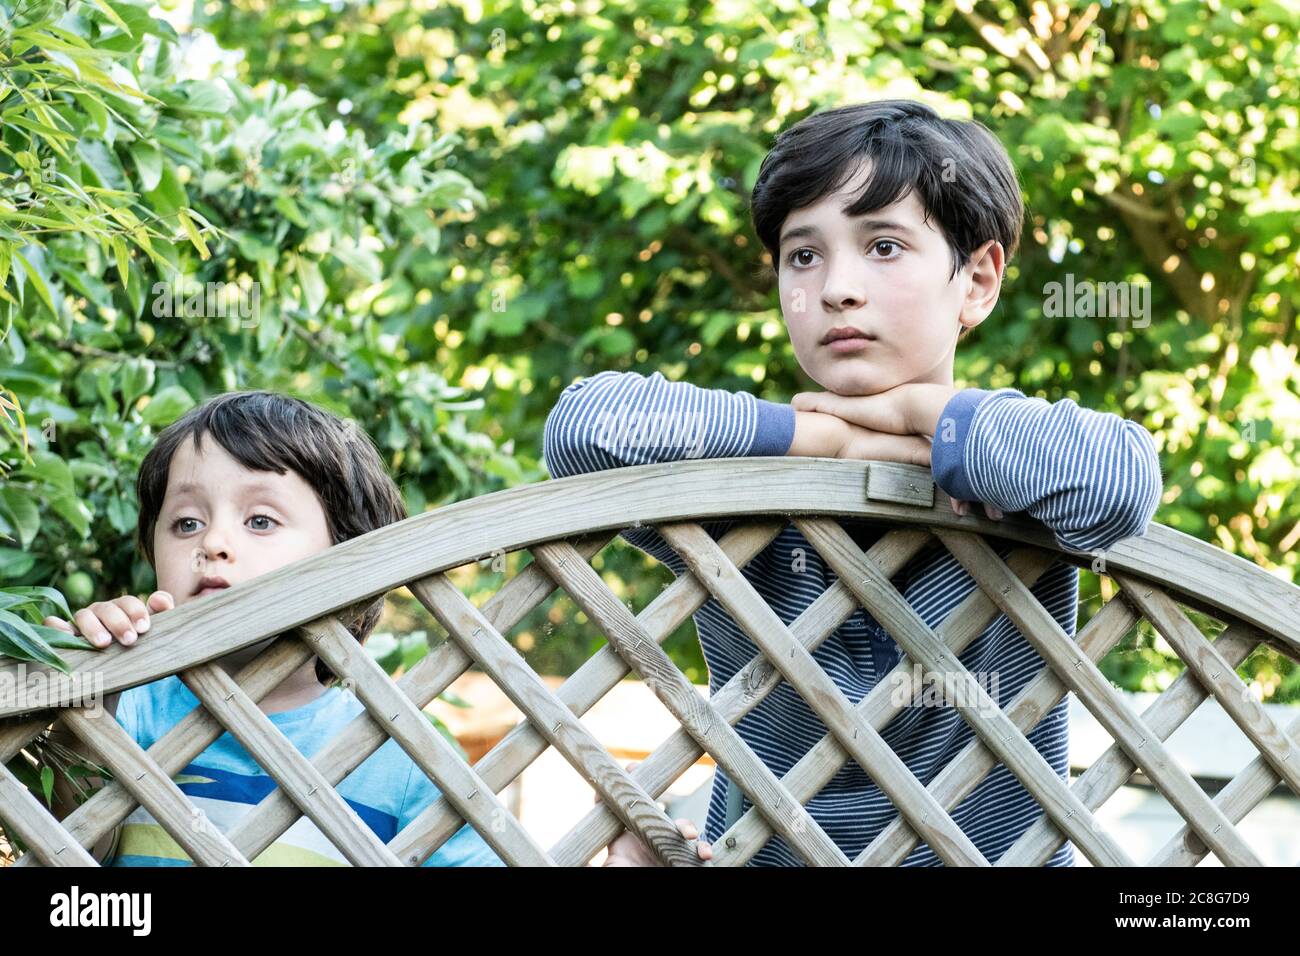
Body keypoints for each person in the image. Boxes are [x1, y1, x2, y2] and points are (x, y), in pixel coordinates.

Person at [542, 99, 1164, 866]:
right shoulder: (740, 488)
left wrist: (918, 413)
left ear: (977, 280)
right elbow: (582, 429)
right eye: (804, 256)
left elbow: (1119, 479)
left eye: (883, 245)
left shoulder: (1012, 457)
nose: (836, 287)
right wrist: (819, 437)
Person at [45, 390, 705, 866]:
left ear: (351, 562)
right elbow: (66, 866)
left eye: (260, 521)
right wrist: (78, 686)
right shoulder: (131, 707)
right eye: (186, 522)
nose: (213, 542)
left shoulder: (399, 753)